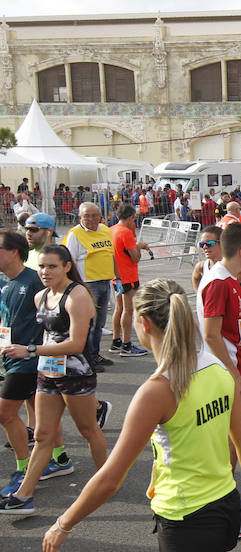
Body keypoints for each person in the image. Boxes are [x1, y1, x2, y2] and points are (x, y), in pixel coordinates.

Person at [38, 278, 241, 552]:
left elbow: (109, 479)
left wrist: (63, 523)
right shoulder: (217, 367)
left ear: (144, 323)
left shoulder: (158, 391)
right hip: (224, 503)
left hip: (187, 515)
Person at [0, 245, 107, 513]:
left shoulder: (78, 296)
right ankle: (24, 496)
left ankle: (106, 480)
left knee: (88, 431)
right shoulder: (41, 297)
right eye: (42, 267)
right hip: (47, 373)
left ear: (67, 266)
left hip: (75, 375)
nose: (45, 272)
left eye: (52, 266)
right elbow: (47, 336)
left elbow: (76, 344)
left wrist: (31, 350)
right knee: (43, 434)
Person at [196, 223, 241, 439]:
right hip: (222, 370)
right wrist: (236, 378)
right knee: (233, 440)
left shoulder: (229, 276)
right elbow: (211, 335)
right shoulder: (219, 282)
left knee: (238, 439)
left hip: (230, 364)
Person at [0, 232, 50, 497]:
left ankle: (24, 470)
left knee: (5, 413)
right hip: (9, 356)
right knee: (37, 410)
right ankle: (55, 459)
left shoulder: (33, 280)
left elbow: (55, 314)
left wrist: (38, 350)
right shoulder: (3, 281)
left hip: (29, 359)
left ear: (13, 252)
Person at [64, 202, 117, 371]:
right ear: (80, 217)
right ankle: (85, 358)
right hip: (87, 284)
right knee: (87, 324)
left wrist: (118, 277)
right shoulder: (75, 234)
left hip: (105, 281)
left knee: (99, 323)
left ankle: (94, 354)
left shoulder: (105, 230)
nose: (91, 219)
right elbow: (69, 261)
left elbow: (110, 254)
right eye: (86, 216)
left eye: (95, 215)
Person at [109, 203, 151, 357]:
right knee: (128, 310)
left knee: (118, 309)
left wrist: (136, 245)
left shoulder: (111, 230)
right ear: (130, 218)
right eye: (134, 219)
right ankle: (127, 344)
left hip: (117, 276)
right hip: (128, 276)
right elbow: (135, 257)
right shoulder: (126, 233)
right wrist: (138, 247)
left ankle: (116, 341)